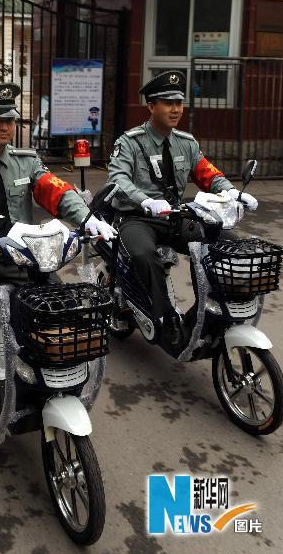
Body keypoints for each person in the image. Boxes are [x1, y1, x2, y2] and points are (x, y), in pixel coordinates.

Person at [0, 82, 116, 375]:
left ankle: (48, 358)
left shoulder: (26, 161)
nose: (5, 127)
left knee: (56, 296)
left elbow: (57, 191)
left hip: (20, 249)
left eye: (10, 120)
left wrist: (86, 218)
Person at [107, 70, 258, 350]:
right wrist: (144, 200)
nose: (175, 109)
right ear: (151, 106)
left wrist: (232, 192)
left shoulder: (186, 143)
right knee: (143, 254)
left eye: (178, 102)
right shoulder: (129, 142)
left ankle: (210, 311)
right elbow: (118, 180)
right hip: (135, 218)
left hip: (175, 217)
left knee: (228, 244)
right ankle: (166, 318)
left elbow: (208, 174)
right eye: (167, 102)